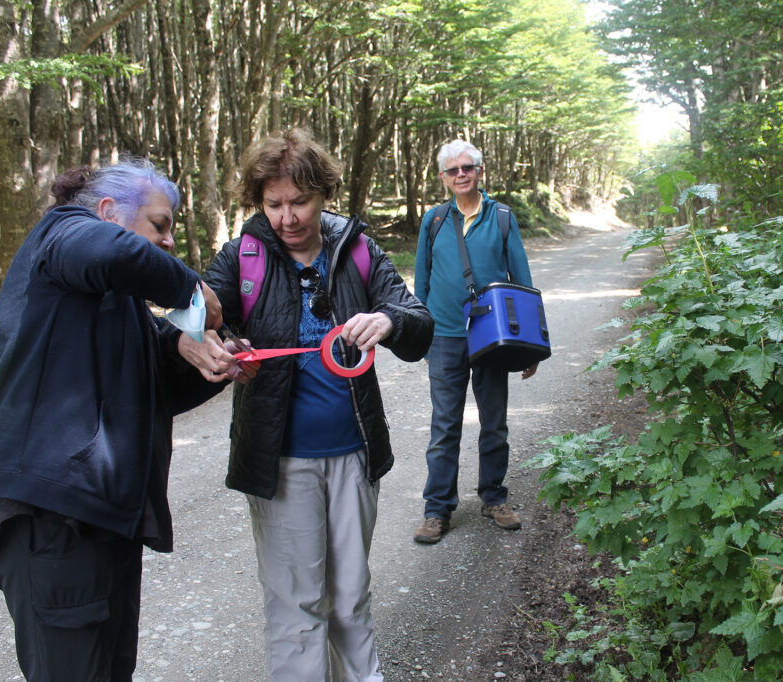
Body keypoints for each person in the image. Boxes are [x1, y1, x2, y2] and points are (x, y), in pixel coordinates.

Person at [0, 159, 255, 681]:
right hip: (50, 519)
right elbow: (111, 251)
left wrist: (200, 358)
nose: (168, 241)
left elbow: (149, 393)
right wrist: (193, 290)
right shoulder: (64, 234)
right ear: (107, 212)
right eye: (159, 225)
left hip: (101, 519)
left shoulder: (114, 301)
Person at [202, 128, 433, 682]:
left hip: (354, 452)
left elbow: (420, 323)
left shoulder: (356, 248)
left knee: (350, 596)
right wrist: (225, 347)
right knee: (295, 602)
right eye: (273, 204)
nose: (287, 217)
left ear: (323, 192)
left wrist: (390, 319)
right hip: (278, 460)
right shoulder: (242, 257)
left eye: (299, 201)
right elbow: (203, 323)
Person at [412, 140, 539, 544]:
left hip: (493, 337)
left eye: (468, 167)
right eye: (453, 170)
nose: (461, 174)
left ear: (480, 171)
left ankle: (493, 497)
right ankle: (437, 509)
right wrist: (420, 334)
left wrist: (530, 345)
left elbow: (521, 281)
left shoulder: (501, 217)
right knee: (444, 426)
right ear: (443, 177)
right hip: (445, 336)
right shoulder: (433, 220)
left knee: (494, 423)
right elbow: (422, 282)